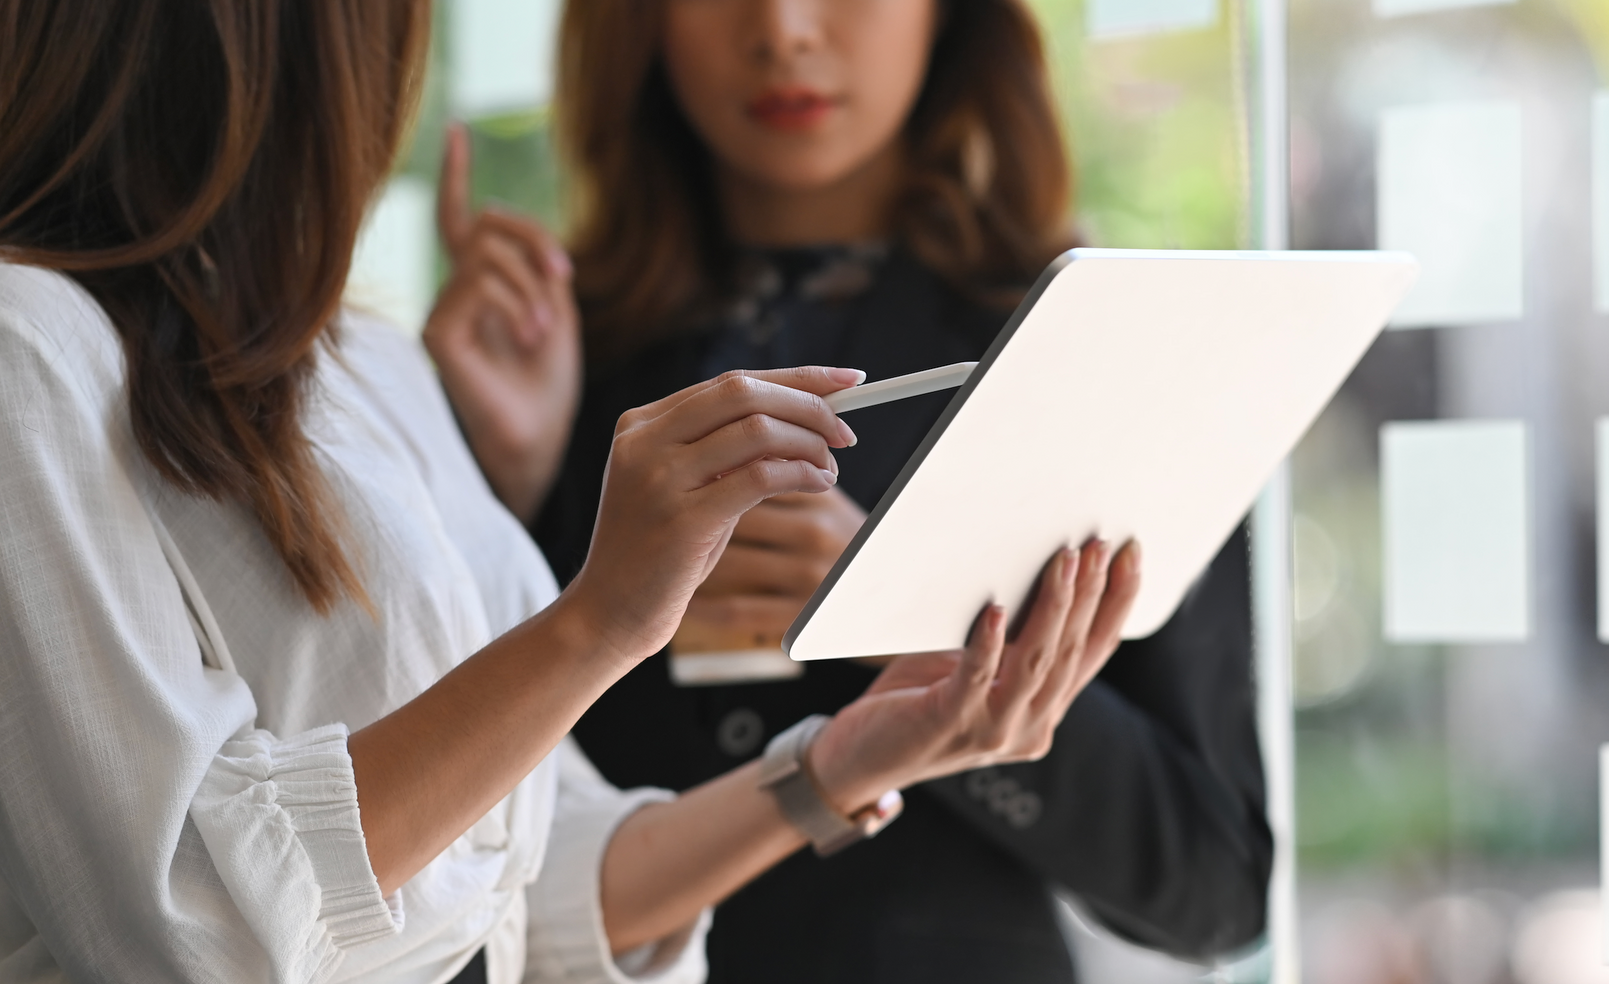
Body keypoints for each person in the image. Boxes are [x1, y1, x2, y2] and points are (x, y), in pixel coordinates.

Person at [0, 3, 1140, 982]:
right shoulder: (29, 346)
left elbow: (526, 892)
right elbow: (186, 924)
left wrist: (845, 763)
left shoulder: (367, 359)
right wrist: (601, 619)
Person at [423, 1, 1273, 980]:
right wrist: (511, 494)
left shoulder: (1096, 351)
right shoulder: (541, 368)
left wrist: (906, 618)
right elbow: (451, 854)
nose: (783, 28)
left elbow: (1216, 885)